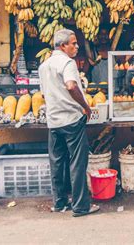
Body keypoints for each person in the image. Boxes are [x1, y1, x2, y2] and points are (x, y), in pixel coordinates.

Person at [38, 29, 99, 217]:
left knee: (57, 163)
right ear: (63, 46)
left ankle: (60, 203)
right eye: (73, 43)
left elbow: (42, 94)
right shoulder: (67, 63)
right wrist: (85, 106)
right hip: (72, 120)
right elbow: (71, 85)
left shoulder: (44, 66)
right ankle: (81, 206)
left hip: (54, 121)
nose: (77, 46)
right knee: (77, 163)